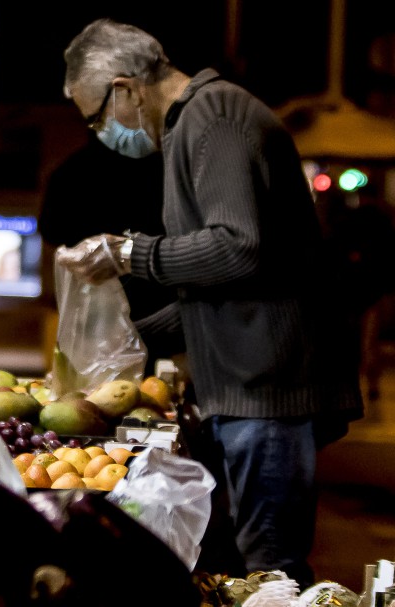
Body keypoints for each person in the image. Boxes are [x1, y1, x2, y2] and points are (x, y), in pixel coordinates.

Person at [55, 19, 363, 586]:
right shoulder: (192, 126)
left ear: (124, 88)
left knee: (273, 573)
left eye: (95, 116)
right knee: (256, 565)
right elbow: (224, 287)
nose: (99, 131)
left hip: (267, 392)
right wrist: (131, 339)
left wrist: (130, 253)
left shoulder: (213, 116)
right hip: (248, 390)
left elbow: (239, 248)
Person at [38, 131, 183, 370]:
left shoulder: (72, 171)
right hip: (159, 295)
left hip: (92, 306)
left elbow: (50, 230)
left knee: (92, 386)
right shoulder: (160, 167)